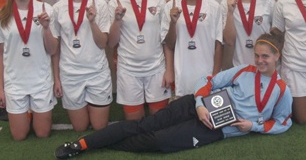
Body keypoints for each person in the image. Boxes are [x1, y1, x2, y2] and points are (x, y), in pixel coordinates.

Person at [54, 29, 292, 158]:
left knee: (158, 141)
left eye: (266, 57)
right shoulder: (243, 71)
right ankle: (82, 145)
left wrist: (253, 126)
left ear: (276, 57)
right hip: (195, 106)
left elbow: (283, 122)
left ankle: (106, 143)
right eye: (257, 55)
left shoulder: (282, 91)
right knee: (144, 125)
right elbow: (207, 81)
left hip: (216, 129)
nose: (260, 60)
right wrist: (199, 104)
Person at [0, 0, 57, 140]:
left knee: (43, 134)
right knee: (19, 136)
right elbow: (0, 54)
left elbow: (52, 50)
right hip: (15, 83)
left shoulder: (46, 9)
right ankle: (26, 114)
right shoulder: (1, 15)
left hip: (41, 80)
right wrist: (1, 89)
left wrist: (46, 28)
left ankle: (33, 113)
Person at [108, 0, 172, 120]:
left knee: (159, 123)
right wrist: (117, 20)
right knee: (134, 125)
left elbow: (166, 40)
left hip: (156, 68)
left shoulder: (158, 1)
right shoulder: (115, 4)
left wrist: (169, 70)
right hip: (128, 70)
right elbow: (112, 43)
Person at [51, 0, 112, 131]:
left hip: (96, 73)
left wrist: (92, 22)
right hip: (70, 74)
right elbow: (55, 50)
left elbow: (103, 44)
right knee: (80, 128)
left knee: (100, 127)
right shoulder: (58, 8)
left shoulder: (99, 4)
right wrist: (56, 78)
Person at [162, 0, 222, 97]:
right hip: (182, 75)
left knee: (205, 117)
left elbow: (218, 44)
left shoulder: (213, 6)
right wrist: (173, 23)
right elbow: (170, 45)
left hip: (206, 74)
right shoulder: (171, 6)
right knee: (183, 116)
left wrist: (216, 75)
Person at [221, 0, 274, 67]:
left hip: (265, 68)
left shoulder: (268, 2)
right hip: (239, 68)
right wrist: (230, 13)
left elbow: (275, 39)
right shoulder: (226, 3)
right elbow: (229, 41)